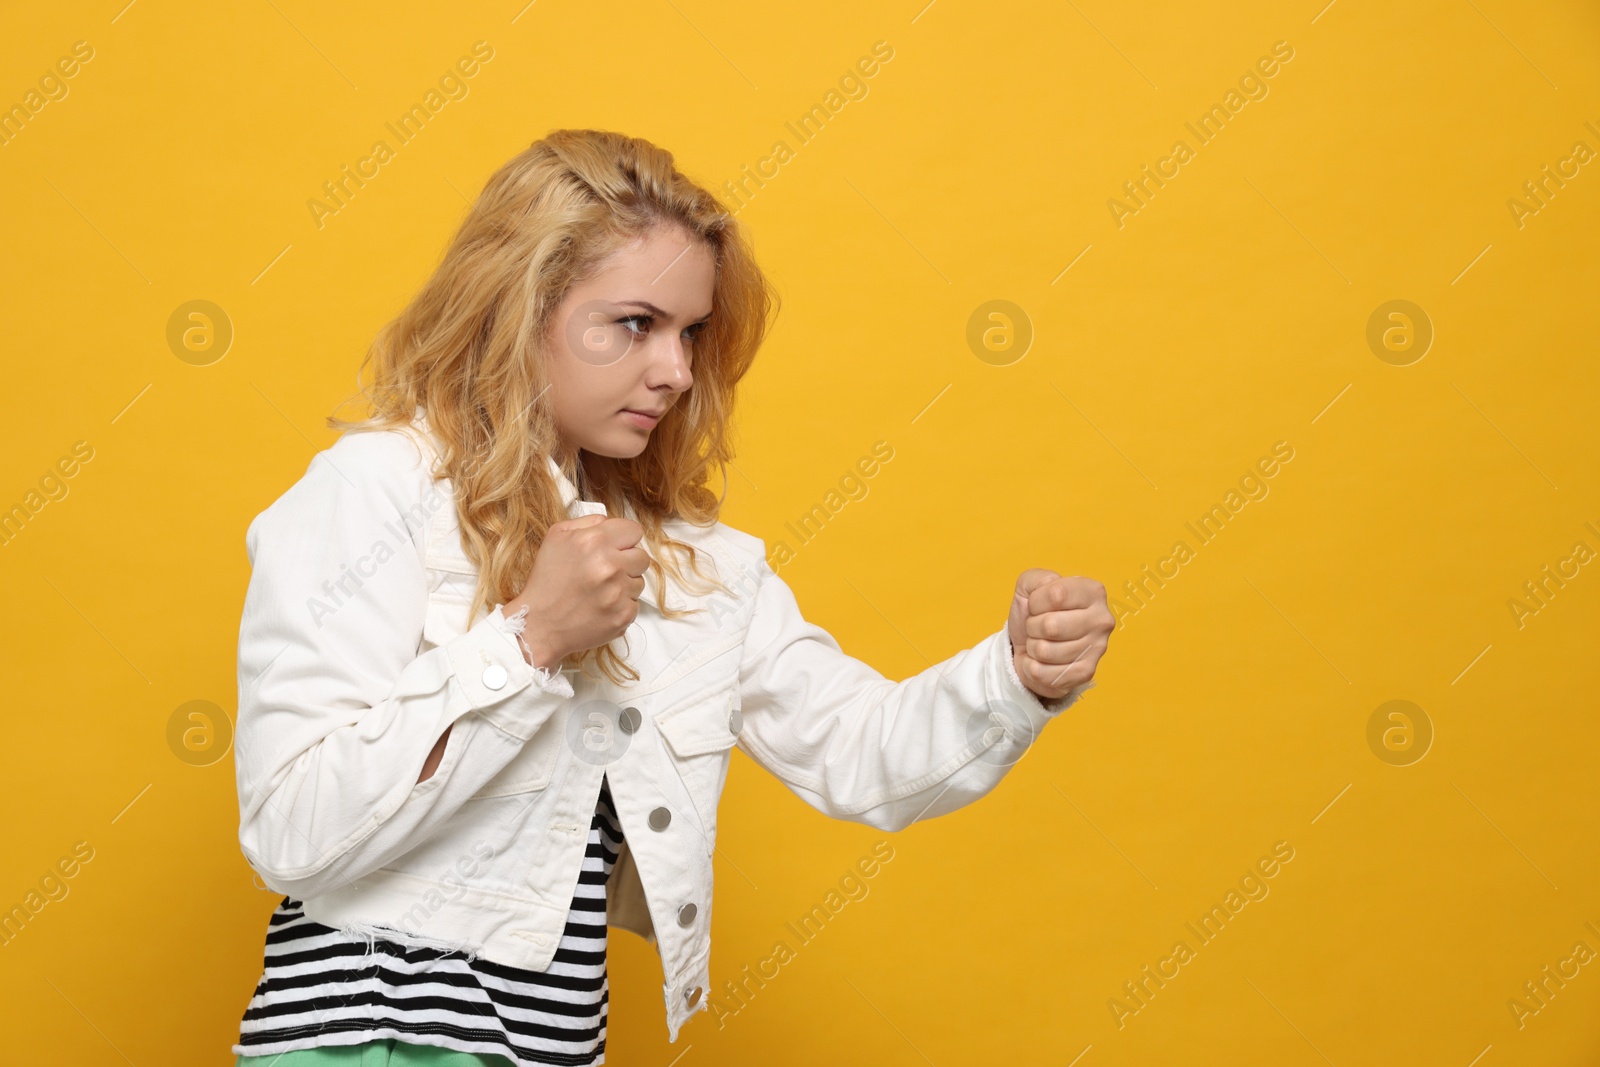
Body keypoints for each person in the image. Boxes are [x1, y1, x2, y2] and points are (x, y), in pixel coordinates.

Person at [230, 128, 1114, 1067]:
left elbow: (862, 753)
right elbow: (292, 830)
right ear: (518, 307)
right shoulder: (379, 489)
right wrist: (528, 639)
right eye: (636, 323)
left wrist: (1017, 675)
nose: (677, 370)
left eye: (690, 332)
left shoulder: (692, 564)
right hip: (373, 1039)